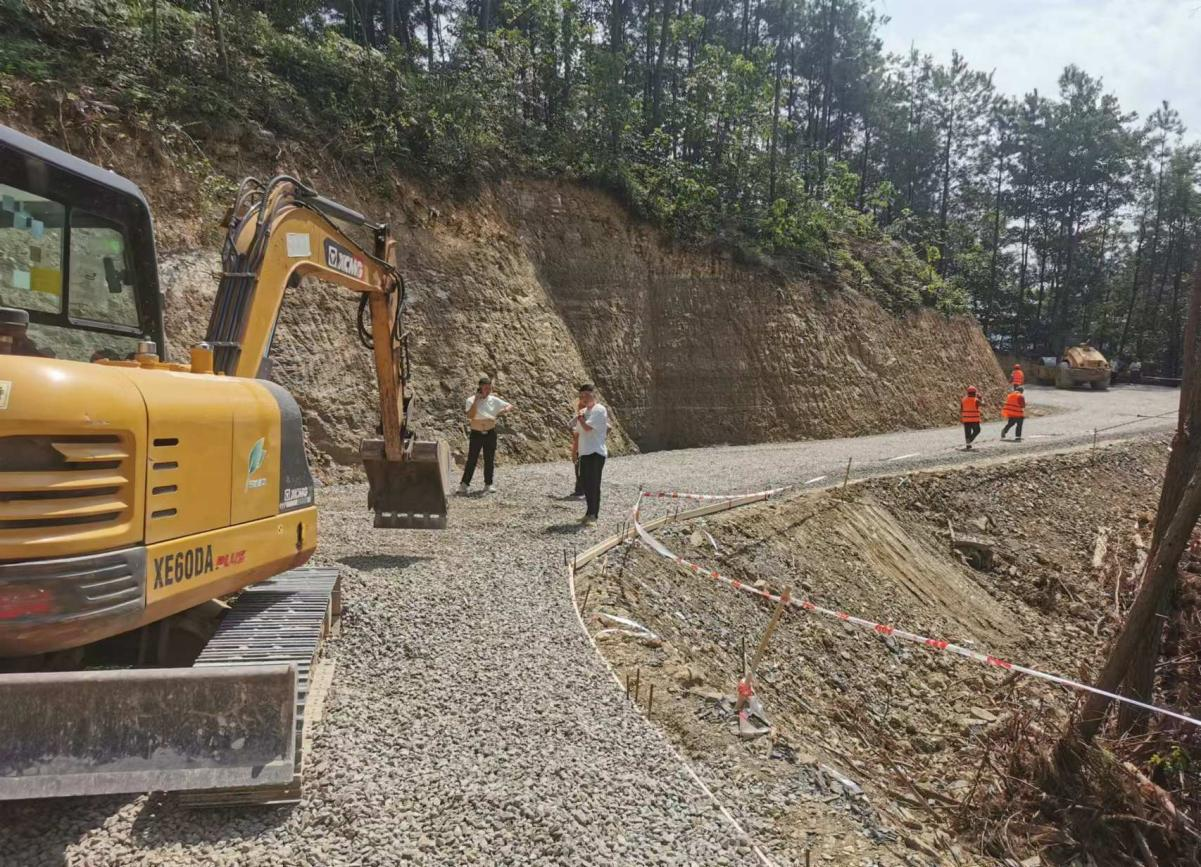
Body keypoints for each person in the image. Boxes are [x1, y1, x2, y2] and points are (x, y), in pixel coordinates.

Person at [459, 376, 514, 494]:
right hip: (476, 433)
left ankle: (488, 484)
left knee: (489, 459)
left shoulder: (493, 400)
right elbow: (470, 416)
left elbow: (509, 406)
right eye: (485, 388)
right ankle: (464, 484)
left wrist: (502, 412)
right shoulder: (471, 400)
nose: (487, 391)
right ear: (480, 388)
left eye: (489, 388)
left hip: (490, 432)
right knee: (472, 459)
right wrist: (476, 400)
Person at [571, 384, 608, 526]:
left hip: (596, 452)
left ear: (594, 394)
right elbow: (579, 433)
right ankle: (588, 512)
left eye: (586, 395)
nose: (583, 398)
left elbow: (586, 428)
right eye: (581, 396)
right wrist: (575, 451)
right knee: (585, 483)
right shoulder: (584, 411)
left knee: (594, 483)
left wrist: (580, 417)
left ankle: (594, 515)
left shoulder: (599, 409)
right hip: (585, 452)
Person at [570, 394, 586, 498]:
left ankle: (581, 490)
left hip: (585, 448)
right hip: (581, 448)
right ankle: (580, 489)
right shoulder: (575, 420)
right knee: (579, 469)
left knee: (582, 469)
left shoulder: (590, 417)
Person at [960, 386, 982, 450]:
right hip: (974, 419)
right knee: (977, 430)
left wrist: (961, 417)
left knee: (967, 432)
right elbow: (983, 404)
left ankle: (968, 445)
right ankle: (970, 440)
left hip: (966, 419)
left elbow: (961, 409)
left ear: (968, 393)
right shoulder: (976, 400)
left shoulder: (963, 400)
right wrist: (981, 398)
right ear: (975, 393)